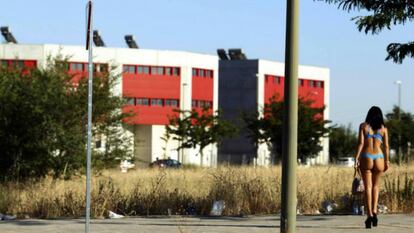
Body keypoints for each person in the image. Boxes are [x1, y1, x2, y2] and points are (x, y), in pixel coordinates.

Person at [355, 106, 390, 228]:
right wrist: (387, 161)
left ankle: (369, 215)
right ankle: (375, 211)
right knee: (376, 186)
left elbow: (360, 143)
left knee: (368, 187)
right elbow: (386, 147)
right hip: (379, 157)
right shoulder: (383, 128)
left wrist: (356, 158)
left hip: (367, 156)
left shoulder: (363, 126)